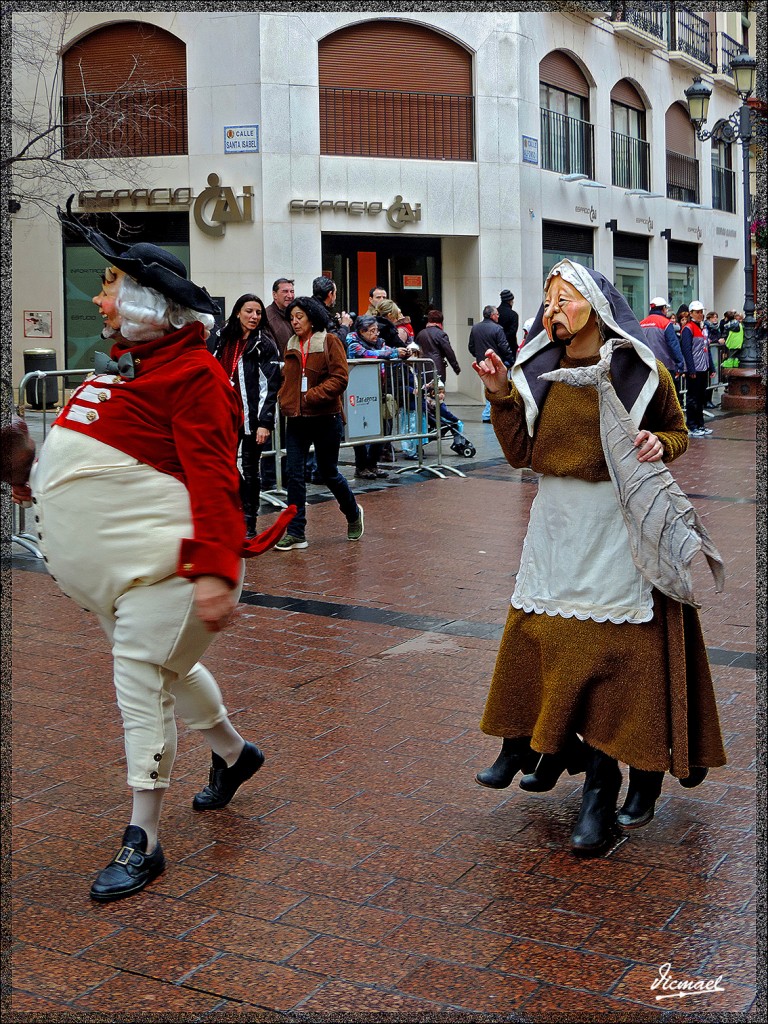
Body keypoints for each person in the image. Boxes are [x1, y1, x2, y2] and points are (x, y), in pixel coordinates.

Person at [6, 201, 295, 902]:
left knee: (140, 678)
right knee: (169, 667)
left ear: (143, 301)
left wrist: (218, 572)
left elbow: (214, 477)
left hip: (165, 570)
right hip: (123, 576)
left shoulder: (195, 375)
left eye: (109, 285)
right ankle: (233, 754)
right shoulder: (132, 366)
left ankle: (145, 838)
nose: (101, 297)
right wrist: (32, 475)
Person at [471, 258, 725, 857]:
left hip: (619, 529)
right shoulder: (539, 370)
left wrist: (657, 442)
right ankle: (546, 746)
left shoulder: (639, 368)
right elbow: (519, 456)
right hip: (557, 530)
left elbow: (678, 432)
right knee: (545, 636)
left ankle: (603, 793)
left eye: (565, 298)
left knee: (616, 656)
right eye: (549, 299)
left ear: (596, 305)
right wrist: (499, 395)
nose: (553, 310)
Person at [275, 295, 364, 549]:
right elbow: (287, 379)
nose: (295, 322)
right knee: (294, 474)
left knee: (329, 472)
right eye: (291, 318)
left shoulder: (329, 341)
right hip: (296, 420)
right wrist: (286, 398)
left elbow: (340, 378)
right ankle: (296, 532)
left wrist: (311, 396)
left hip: (325, 418)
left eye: (299, 317)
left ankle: (353, 512)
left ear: (312, 318)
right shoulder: (291, 344)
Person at [212, 294, 281, 537]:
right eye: (249, 311)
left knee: (252, 469)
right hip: (224, 414)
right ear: (238, 312)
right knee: (223, 463)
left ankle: (249, 521)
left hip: (251, 416)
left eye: (258, 313)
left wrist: (265, 422)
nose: (254, 317)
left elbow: (269, 386)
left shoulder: (264, 344)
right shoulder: (222, 338)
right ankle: (235, 509)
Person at [345, 314, 409, 479]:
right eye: (372, 331)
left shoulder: (380, 343)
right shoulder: (353, 342)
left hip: (377, 390)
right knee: (360, 430)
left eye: (376, 330)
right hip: (358, 392)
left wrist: (401, 354)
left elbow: (387, 354)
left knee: (382, 428)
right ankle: (361, 466)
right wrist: (393, 352)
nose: (376, 334)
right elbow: (367, 354)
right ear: (362, 331)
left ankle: (373, 464)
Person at [468, 305, 515, 422]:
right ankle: (489, 413)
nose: (498, 316)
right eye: (497, 314)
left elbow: (471, 346)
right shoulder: (497, 329)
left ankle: (488, 413)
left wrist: (479, 356)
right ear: (492, 315)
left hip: (481, 362)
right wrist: (511, 360)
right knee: (498, 388)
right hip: (495, 362)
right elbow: (504, 347)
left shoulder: (475, 328)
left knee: (488, 386)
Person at [679, 300, 712, 437]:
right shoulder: (688, 328)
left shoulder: (702, 328)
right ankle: (692, 425)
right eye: (697, 312)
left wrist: (711, 366)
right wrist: (691, 369)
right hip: (695, 369)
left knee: (700, 397)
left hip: (703, 368)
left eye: (701, 312)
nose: (700, 314)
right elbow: (686, 350)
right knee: (693, 397)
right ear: (691, 313)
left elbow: (707, 349)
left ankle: (700, 424)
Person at [415, 309, 461, 387]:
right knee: (438, 393)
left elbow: (416, 350)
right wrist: (456, 367)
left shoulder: (420, 334)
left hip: (422, 368)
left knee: (424, 392)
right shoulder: (441, 334)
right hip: (437, 367)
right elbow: (449, 352)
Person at [312, 275, 354, 344]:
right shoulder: (320, 313)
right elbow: (335, 341)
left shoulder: (313, 307)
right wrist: (345, 325)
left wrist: (337, 324)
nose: (335, 297)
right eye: (335, 293)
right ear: (330, 294)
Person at [264, 277, 295, 356]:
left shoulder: (293, 314)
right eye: (285, 292)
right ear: (275, 295)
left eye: (292, 291)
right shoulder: (267, 317)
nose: (290, 295)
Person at [497, 289, 519, 362]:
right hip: (510, 348)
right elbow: (512, 332)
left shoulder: (495, 313)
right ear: (510, 301)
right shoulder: (513, 315)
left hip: (496, 347)